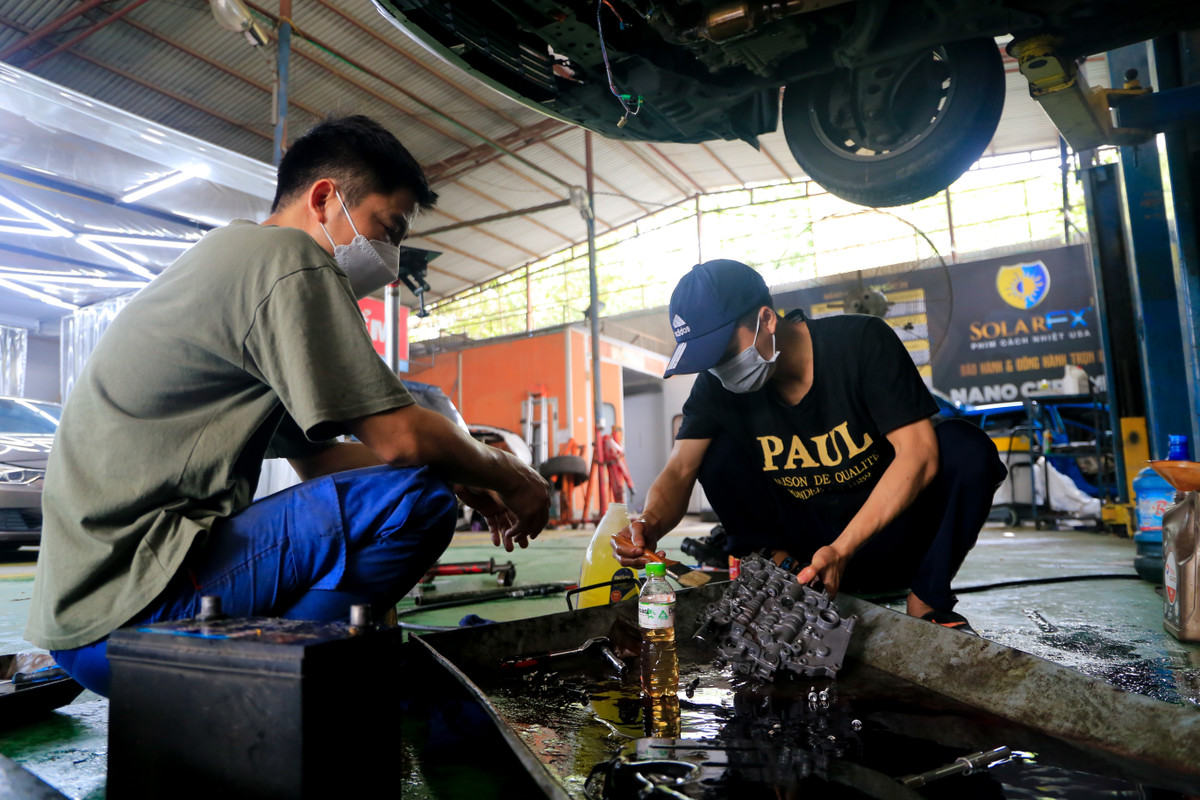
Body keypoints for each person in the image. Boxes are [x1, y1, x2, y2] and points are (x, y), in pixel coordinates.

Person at [26, 116, 550, 696]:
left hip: (85, 628)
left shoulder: (234, 261)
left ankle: (272, 671)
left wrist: (455, 471)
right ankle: (279, 686)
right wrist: (510, 473)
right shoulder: (290, 261)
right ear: (325, 198)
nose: (391, 258)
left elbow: (320, 461)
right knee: (415, 503)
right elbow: (400, 438)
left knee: (422, 486)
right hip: (136, 616)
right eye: (388, 228)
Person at [614, 259, 1005, 631]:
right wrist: (649, 523)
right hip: (807, 558)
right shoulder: (717, 388)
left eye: (724, 353)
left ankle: (928, 600)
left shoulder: (860, 343)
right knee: (712, 453)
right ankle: (784, 577)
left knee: (965, 447)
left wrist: (842, 550)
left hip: (886, 536)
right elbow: (680, 469)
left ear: (766, 318)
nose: (720, 370)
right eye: (708, 361)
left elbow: (918, 455)